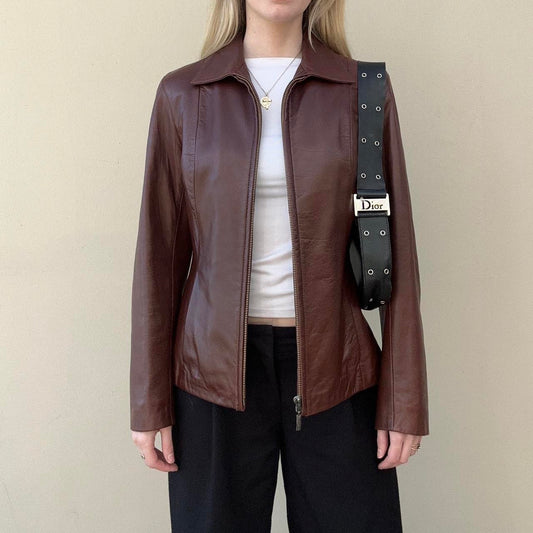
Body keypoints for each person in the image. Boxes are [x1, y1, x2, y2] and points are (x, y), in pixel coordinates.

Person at [130, 0, 429, 531]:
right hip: (211, 376)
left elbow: (397, 252)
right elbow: (159, 258)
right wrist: (149, 401)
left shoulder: (364, 92)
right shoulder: (183, 94)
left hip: (338, 370)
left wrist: (403, 400)